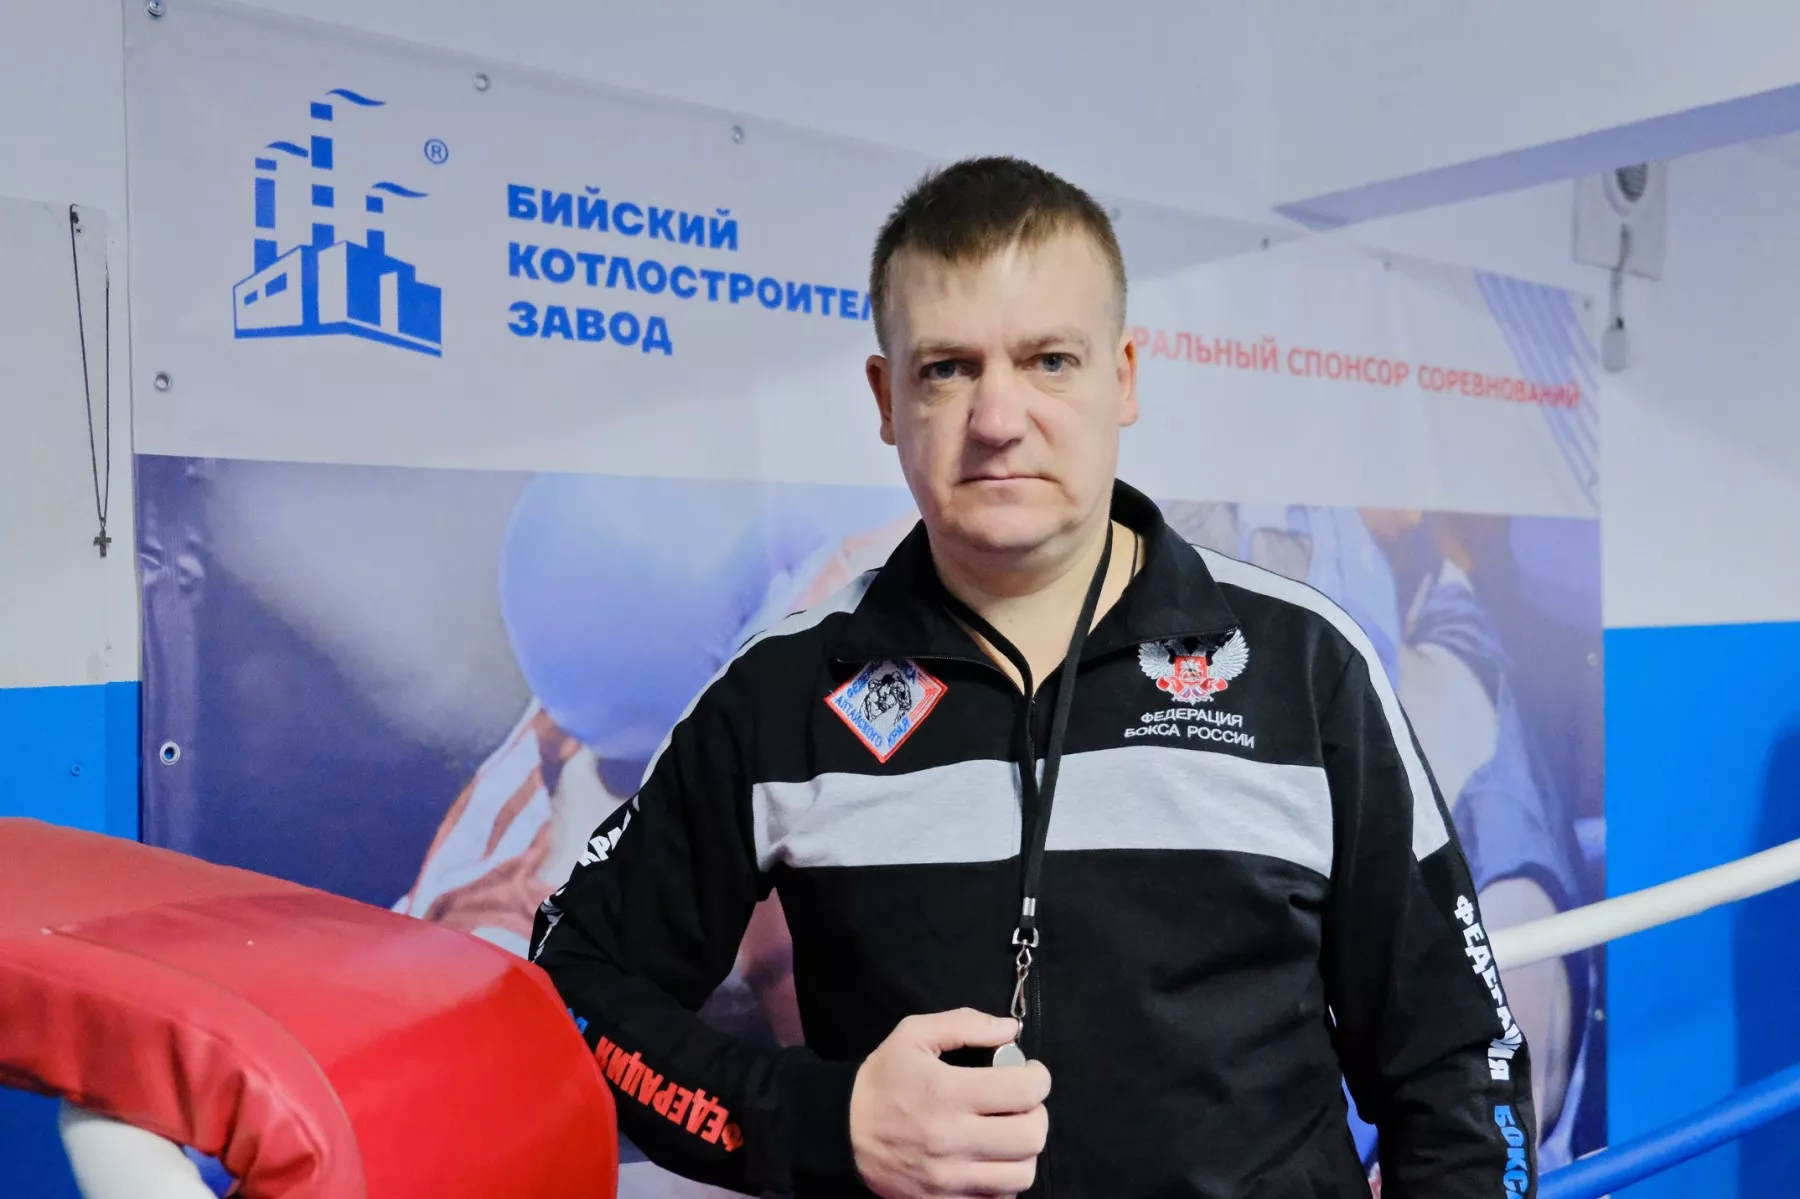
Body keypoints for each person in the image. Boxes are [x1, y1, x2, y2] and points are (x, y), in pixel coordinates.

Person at [533, 157, 1538, 1198]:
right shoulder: (784, 692)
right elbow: (571, 988)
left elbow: (1462, 1063)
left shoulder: (1303, 664)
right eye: (947, 368)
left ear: (1124, 377)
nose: (998, 417)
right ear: (886, 397)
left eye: (1050, 360)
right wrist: (818, 1120)